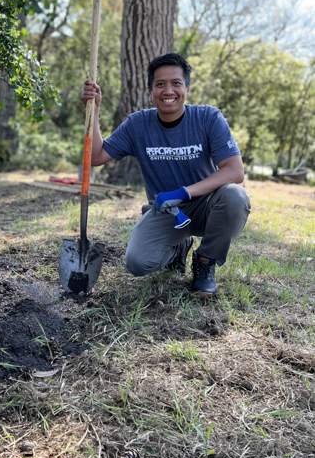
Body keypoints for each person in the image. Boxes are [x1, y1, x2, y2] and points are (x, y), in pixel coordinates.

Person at [82, 53, 251, 297]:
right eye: (160, 84)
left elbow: (235, 171)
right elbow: (96, 157)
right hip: (167, 211)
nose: (168, 90)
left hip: (208, 207)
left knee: (236, 197)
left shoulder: (208, 118)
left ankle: (205, 262)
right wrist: (94, 111)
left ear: (187, 88)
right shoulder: (137, 124)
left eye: (176, 83)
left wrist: (184, 192)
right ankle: (178, 248)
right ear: (151, 91)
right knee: (137, 262)